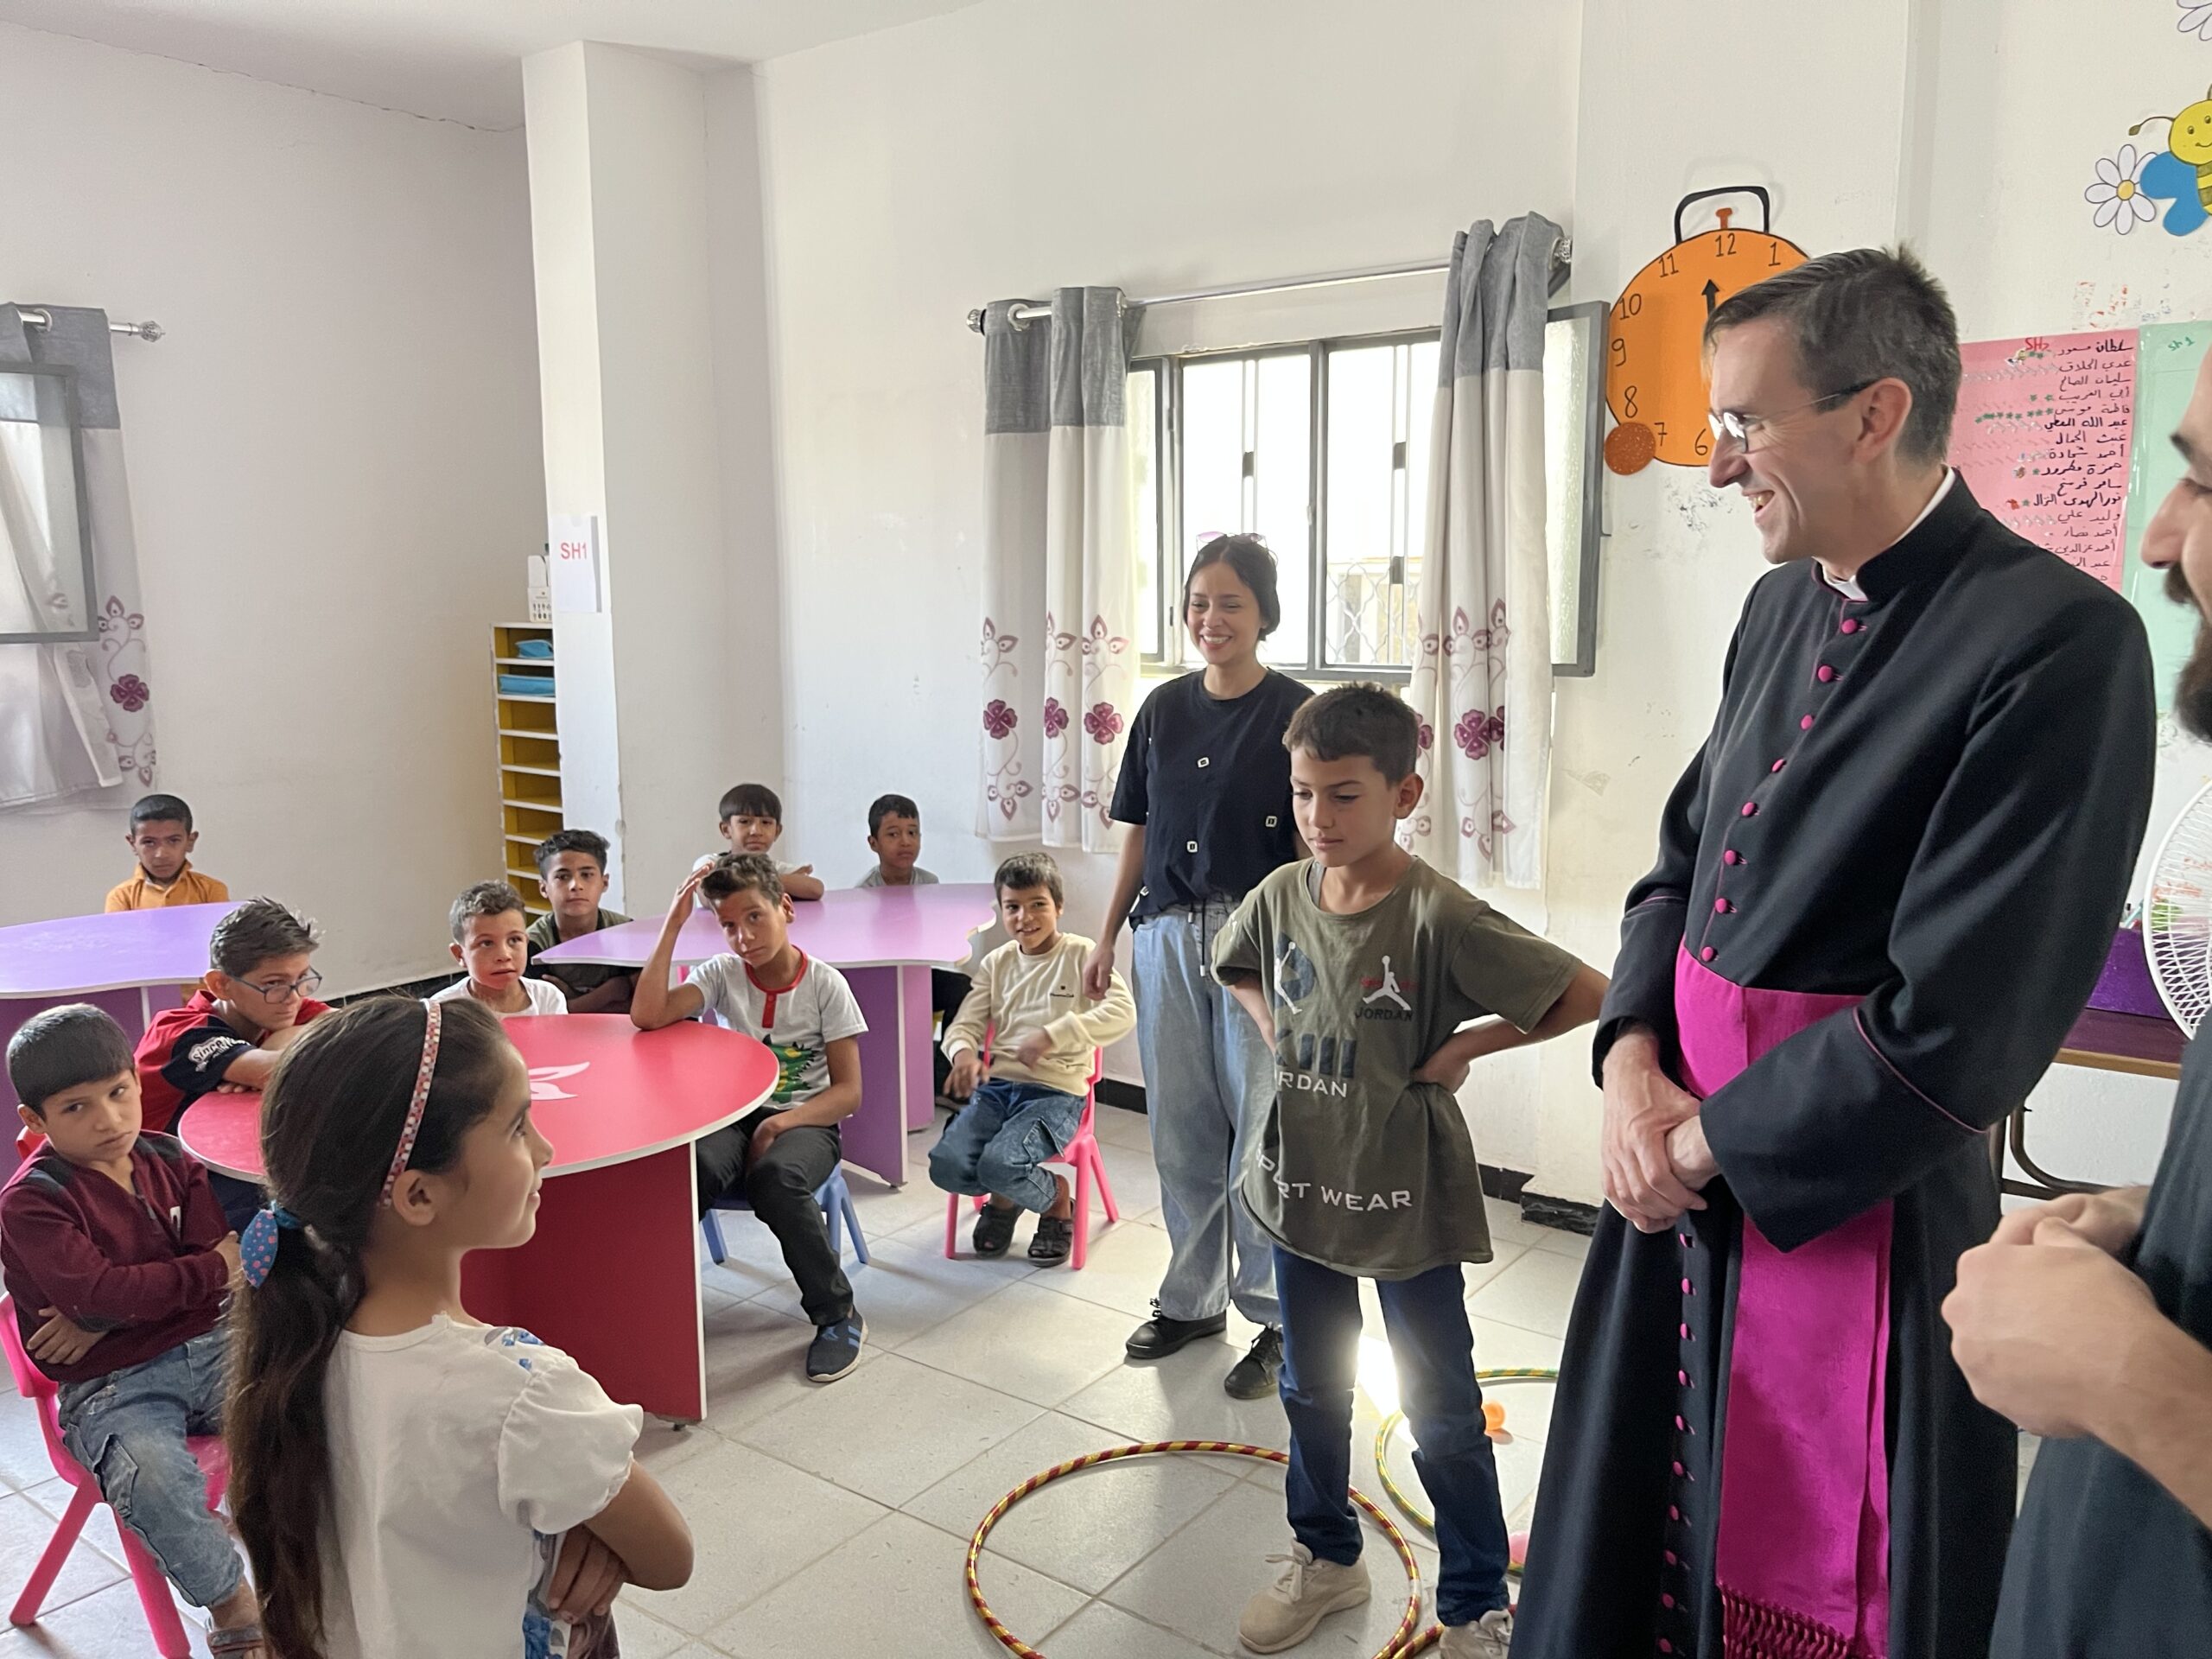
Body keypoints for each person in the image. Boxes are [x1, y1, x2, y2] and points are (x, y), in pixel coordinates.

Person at [1514, 248, 2158, 1659]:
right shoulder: (1780, 603)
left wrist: (1691, 1150)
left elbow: (1962, 1031)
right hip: (1676, 1172)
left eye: (1744, 424)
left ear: (1872, 416)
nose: (1716, 467)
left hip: (1847, 1200)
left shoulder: (2060, 644)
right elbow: (1680, 868)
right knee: (1635, 1542)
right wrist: (1629, 1067)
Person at [1212, 687, 1606, 1659]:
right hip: (1300, 1188)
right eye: (1304, 795)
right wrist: (1278, 1036)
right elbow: (1238, 966)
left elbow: (1585, 992)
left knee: (1441, 1404)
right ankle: (1328, 1557)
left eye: (1343, 796)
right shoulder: (1278, 894)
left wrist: (1465, 1046)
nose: (1318, 818)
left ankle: (1472, 1602)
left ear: (1405, 792)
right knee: (1310, 1388)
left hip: (1402, 1200)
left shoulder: (1440, 915)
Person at [1946, 340, 2212, 1658]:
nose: (2160, 538)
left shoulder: (2061, 640)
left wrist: (2137, 1378)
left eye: (2207, 484)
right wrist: (2158, 1222)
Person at [224, 995, 692, 1658]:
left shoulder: (294, 1348)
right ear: (419, 1195)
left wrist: (570, 1519)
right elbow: (671, 1557)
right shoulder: (521, 1393)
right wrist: (577, 1523)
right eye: (519, 1126)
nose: (546, 1148)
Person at [1085, 533, 1313, 1399]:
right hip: (1166, 936)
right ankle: (1192, 1299)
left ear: (1263, 615)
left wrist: (1315, 951)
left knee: (1258, 1134)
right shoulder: (1162, 708)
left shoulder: (1296, 713)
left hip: (1260, 945)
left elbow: (1310, 848)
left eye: (1230, 604)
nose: (1210, 619)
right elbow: (1138, 832)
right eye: (1197, 603)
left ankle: (1278, 1319)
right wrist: (1109, 936)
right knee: (1180, 1131)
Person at [1, 1005, 264, 1657]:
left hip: (208, 1346)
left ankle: (315, 1556)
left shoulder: (171, 1155)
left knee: (312, 1395)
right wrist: (196, 1272)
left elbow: (123, 1295)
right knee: (150, 1473)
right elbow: (121, 1287)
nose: (109, 1119)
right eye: (76, 1108)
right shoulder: (30, 1201)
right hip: (111, 1384)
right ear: (35, 1122)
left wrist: (106, 1313)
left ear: (136, 1082)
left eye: (119, 1093)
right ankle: (235, 1610)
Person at [632, 853, 868, 1382]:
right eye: (729, 926)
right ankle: (646, 1309)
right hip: (735, 1116)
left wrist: (781, 1124)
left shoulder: (826, 985)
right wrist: (672, 922)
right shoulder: (721, 972)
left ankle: (837, 1314)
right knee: (689, 1169)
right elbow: (647, 1016)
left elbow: (849, 1093)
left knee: (776, 1179)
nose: (743, 937)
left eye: (755, 917)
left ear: (786, 908)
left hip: (808, 1120)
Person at [931, 852, 1135, 1265]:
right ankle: (1006, 1197)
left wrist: (1056, 1033)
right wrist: (964, 1054)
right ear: (1002, 911)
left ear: (1058, 906)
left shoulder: (1081, 954)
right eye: (1013, 907)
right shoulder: (997, 963)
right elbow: (966, 1023)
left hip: (1057, 1094)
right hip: (998, 1090)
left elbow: (1123, 1011)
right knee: (947, 1167)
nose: (1026, 916)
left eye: (1038, 904)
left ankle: (1056, 1201)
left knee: (999, 1162)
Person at [134, 896, 329, 1230]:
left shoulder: (281, 1009)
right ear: (220, 985)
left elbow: (354, 1035)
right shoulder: (178, 1031)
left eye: (301, 979)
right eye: (274, 984)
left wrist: (278, 1046)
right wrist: (269, 1067)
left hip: (229, 1160)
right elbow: (278, 1069)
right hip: (159, 1187)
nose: (293, 997)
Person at [524, 830, 637, 1014]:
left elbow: (641, 1008)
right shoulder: (533, 944)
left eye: (586, 875)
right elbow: (542, 1014)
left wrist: (570, 998)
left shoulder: (626, 931)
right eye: (562, 877)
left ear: (604, 883)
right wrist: (609, 992)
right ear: (544, 888)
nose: (576, 885)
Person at [435, 882, 569, 1018]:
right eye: (486, 943)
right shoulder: (441, 1011)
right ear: (459, 955)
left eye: (514, 940)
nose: (504, 955)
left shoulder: (548, 999)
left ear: (526, 943)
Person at [693, 783, 825, 901]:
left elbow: (815, 889)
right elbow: (708, 895)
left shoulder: (774, 867)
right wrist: (776, 881)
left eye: (766, 822)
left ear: (777, 832)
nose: (756, 831)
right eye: (744, 822)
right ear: (726, 829)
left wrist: (738, 882)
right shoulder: (710, 863)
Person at [105, 792, 230, 912]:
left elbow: (223, 934)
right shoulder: (122, 897)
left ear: (190, 841)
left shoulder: (211, 890)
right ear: (133, 844)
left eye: (173, 840)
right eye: (149, 842)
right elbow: (119, 935)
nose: (161, 854)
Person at [856, 792, 939, 887]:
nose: (906, 842)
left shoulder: (929, 884)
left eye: (912, 833)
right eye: (893, 834)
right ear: (873, 843)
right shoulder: (865, 891)